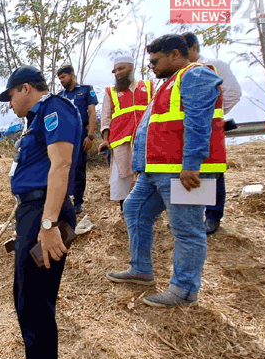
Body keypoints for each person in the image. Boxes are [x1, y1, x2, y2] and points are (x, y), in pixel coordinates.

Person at [107, 34, 226, 307]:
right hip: (156, 170)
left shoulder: (196, 76)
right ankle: (141, 270)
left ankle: (184, 290)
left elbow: (199, 122)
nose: (151, 66)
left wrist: (192, 165)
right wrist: (140, 167)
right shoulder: (166, 85)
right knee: (134, 209)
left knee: (187, 229)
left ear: (174, 54)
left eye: (155, 60)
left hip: (187, 172)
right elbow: (151, 129)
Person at [0, 66, 81, 359]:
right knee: (26, 300)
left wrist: (47, 224)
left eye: (11, 95)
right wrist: (27, 223)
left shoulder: (54, 108)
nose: (10, 103)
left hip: (47, 213)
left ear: (27, 88)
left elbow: (60, 166)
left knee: (35, 306)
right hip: (33, 213)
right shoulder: (35, 121)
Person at [182, 32, 243, 235]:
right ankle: (193, 215)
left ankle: (213, 215)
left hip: (211, 128)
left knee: (213, 168)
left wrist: (211, 115)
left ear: (193, 48)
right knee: (190, 168)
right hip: (186, 128)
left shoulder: (213, 65)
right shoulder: (181, 71)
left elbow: (233, 92)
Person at [99, 55, 154, 213]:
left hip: (145, 139)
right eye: (115, 70)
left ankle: (148, 208)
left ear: (132, 67)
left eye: (121, 69)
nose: (118, 73)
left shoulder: (148, 86)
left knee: (146, 173)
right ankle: (126, 208)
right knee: (123, 175)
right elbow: (105, 117)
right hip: (120, 139)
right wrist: (105, 139)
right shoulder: (110, 92)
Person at [57, 64, 98, 214]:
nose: (61, 80)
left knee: (79, 167)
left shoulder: (86, 90)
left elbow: (92, 113)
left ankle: (78, 202)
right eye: (59, 78)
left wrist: (90, 135)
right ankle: (64, 199)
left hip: (81, 133)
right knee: (64, 167)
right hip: (65, 135)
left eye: (63, 77)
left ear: (72, 75)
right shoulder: (60, 96)